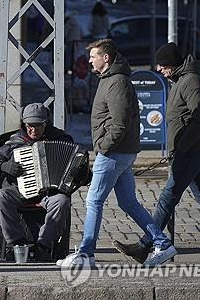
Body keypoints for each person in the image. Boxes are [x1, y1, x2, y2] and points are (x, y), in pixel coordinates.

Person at [113, 42, 200, 265]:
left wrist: (181, 145)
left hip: (190, 152)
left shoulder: (192, 81)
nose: (159, 70)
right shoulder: (180, 81)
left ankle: (146, 245)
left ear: (173, 65)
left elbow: (199, 118)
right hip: (188, 151)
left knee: (167, 197)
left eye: (163, 66)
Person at [59, 39, 176, 268]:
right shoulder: (110, 79)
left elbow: (120, 123)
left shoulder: (117, 83)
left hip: (113, 153)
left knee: (94, 200)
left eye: (93, 56)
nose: (90, 60)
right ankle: (162, 243)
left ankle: (86, 254)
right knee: (129, 203)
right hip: (119, 152)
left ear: (106, 58)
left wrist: (103, 146)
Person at [0, 103, 73, 262]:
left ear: (46, 123)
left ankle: (43, 246)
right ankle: (17, 243)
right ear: (23, 124)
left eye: (38, 126)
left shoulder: (60, 139)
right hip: (18, 190)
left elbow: (77, 168)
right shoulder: (14, 141)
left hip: (49, 193)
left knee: (62, 201)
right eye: (29, 126)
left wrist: (79, 172)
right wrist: (4, 166)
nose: (33, 130)